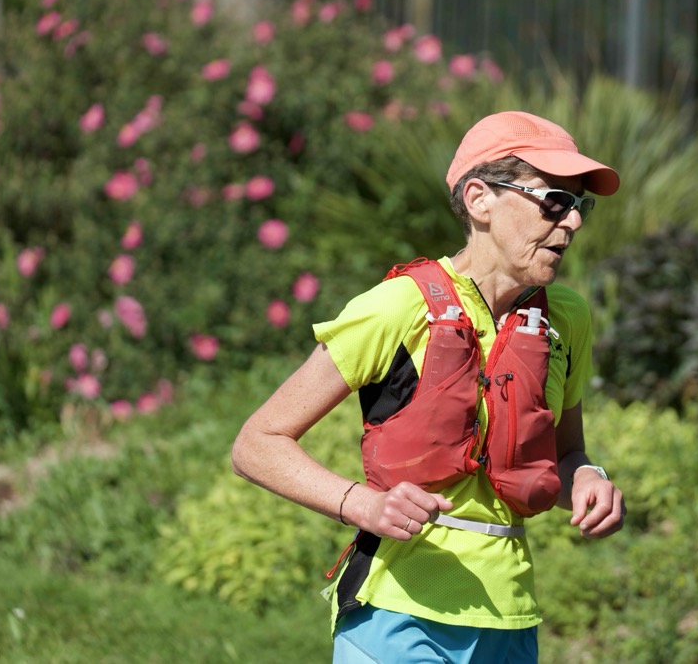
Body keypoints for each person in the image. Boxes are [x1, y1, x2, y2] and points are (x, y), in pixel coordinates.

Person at [231, 110, 626, 663]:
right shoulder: (398, 306)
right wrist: (361, 505)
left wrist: (588, 477)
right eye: (554, 201)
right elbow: (257, 443)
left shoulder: (566, 318)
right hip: (397, 615)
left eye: (579, 204)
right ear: (480, 199)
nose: (574, 221)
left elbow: (566, 454)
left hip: (510, 621)